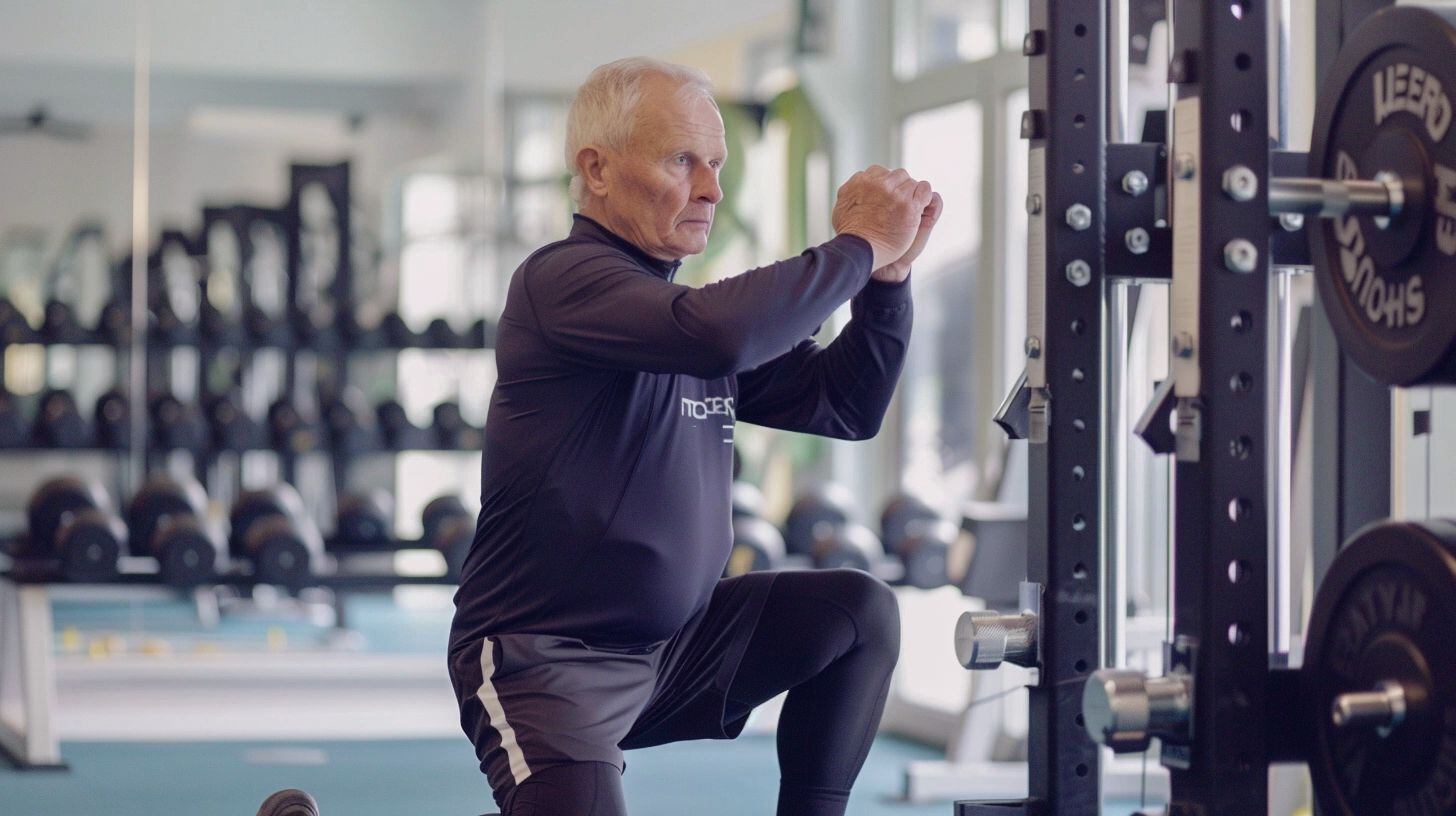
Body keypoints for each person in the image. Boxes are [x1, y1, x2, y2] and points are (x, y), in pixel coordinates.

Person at [447, 57, 942, 816]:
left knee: (859, 613)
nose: (711, 188)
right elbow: (719, 332)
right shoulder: (562, 281)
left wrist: (887, 284)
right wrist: (858, 246)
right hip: (546, 663)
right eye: (683, 160)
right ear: (598, 169)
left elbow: (846, 405)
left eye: (716, 164)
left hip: (679, 646)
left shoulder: (684, 321)